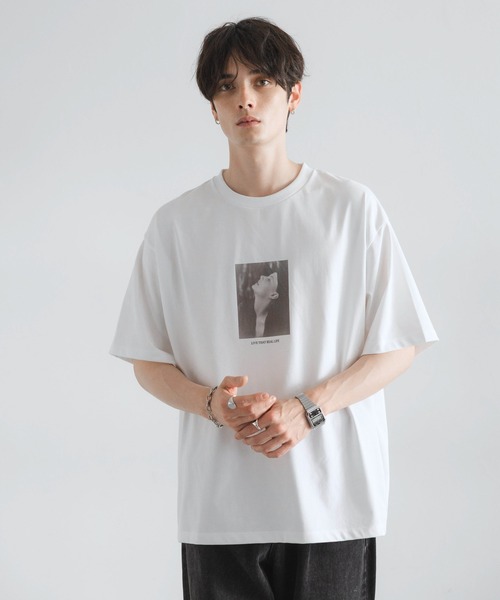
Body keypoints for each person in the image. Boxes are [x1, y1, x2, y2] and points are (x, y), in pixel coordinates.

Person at [110, 17, 438, 600]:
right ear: (212, 107)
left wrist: (308, 408)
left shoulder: (350, 210)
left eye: (262, 81)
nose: (245, 98)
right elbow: (147, 360)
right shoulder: (176, 226)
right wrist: (212, 405)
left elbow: (399, 344)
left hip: (333, 506)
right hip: (219, 512)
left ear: (294, 95)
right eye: (227, 85)